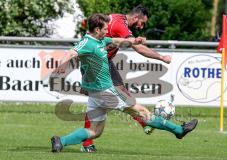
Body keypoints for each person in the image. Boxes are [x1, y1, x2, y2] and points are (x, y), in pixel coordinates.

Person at [51, 13, 198, 153]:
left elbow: (118, 41)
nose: (106, 31)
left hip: (95, 95)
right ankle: (179, 130)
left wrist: (135, 41)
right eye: (104, 29)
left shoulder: (101, 40)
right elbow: (71, 53)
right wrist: (61, 67)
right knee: (142, 112)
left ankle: (60, 141)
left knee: (95, 131)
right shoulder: (87, 43)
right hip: (106, 91)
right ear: (97, 29)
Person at [82, 4, 171, 152]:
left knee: (120, 96)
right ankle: (86, 142)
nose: (141, 26)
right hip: (96, 65)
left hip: (104, 63)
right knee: (100, 103)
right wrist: (161, 57)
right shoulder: (121, 26)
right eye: (142, 22)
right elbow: (139, 47)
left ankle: (144, 122)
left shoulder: (118, 17)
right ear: (135, 17)